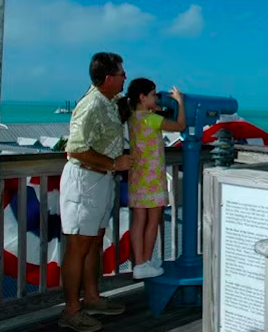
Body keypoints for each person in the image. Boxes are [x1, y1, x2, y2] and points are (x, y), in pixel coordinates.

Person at [59, 53, 133, 332]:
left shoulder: (109, 102)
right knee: (78, 246)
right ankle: (71, 310)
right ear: (108, 78)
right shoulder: (91, 106)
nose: (125, 76)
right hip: (85, 180)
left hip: (101, 179)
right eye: (122, 73)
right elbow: (75, 149)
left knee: (94, 241)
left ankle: (90, 298)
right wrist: (115, 163)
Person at [119, 79, 186, 279]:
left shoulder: (133, 116)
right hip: (154, 176)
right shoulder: (152, 119)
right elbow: (180, 125)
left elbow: (149, 111)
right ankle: (146, 261)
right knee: (154, 219)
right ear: (142, 97)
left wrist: (155, 106)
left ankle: (139, 264)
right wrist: (180, 102)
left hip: (137, 175)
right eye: (154, 94)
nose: (157, 98)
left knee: (139, 219)